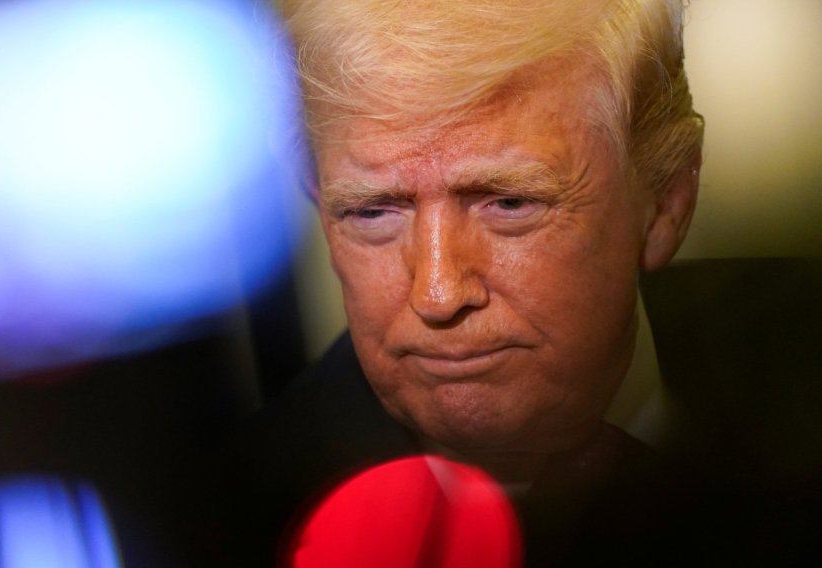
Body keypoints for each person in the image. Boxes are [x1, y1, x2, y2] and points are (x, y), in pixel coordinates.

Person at [214, 0, 711, 566]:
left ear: (666, 203)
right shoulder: (222, 529)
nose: (438, 295)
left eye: (510, 203)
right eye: (373, 211)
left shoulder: (783, 381)